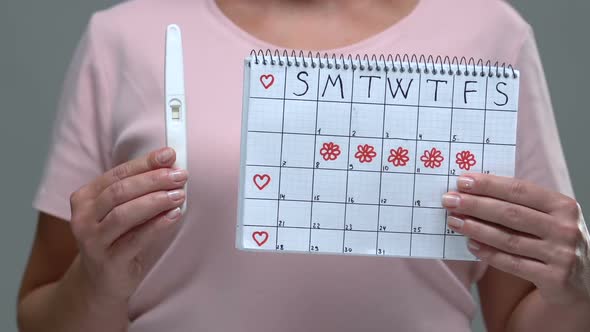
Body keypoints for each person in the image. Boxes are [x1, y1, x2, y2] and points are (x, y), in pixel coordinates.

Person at [17, 0, 590, 331]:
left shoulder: (491, 33)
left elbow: (523, 317)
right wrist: (96, 285)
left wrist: (579, 291)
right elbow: (40, 314)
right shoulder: (126, 36)